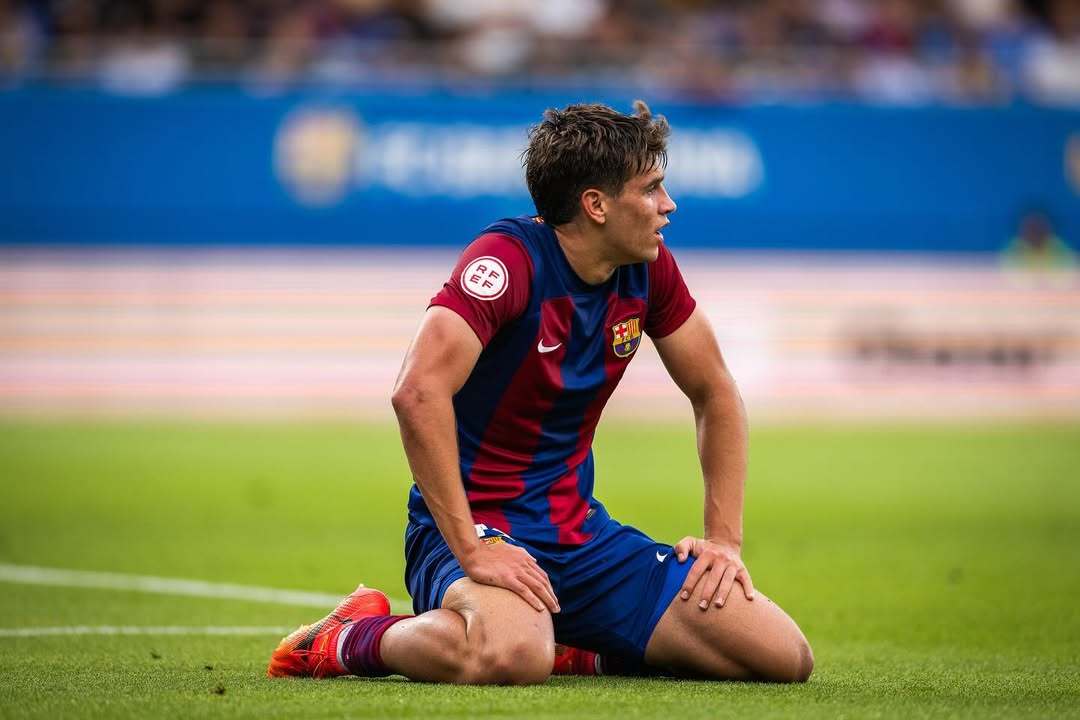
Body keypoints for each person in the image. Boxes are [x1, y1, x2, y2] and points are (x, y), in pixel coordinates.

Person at [267, 101, 813, 684]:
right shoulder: (507, 262)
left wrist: (723, 542)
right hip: (469, 530)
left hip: (579, 538)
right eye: (651, 188)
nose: (668, 204)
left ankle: (579, 647)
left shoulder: (648, 269)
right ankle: (349, 637)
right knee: (515, 655)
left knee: (782, 657)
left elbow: (715, 391)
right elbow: (417, 392)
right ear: (596, 205)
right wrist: (471, 548)